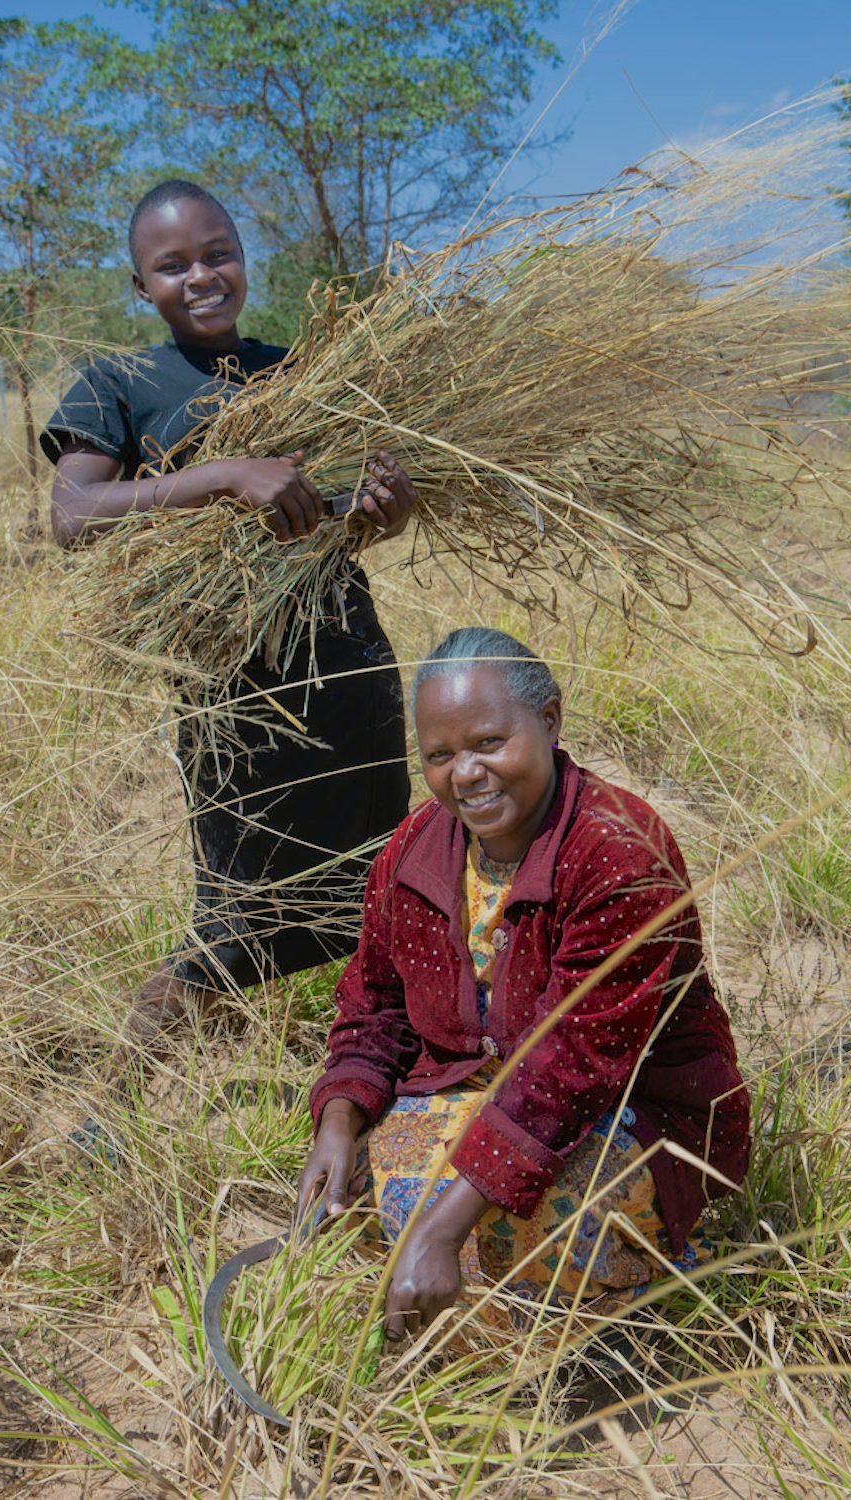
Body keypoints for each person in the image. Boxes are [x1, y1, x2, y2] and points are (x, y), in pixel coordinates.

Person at [42, 179, 413, 1107]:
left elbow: (328, 520)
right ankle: (120, 1103)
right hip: (234, 687)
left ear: (245, 256)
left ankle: (381, 1079)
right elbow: (74, 516)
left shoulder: (300, 370)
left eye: (218, 252)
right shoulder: (119, 385)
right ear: (141, 286)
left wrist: (382, 511)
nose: (201, 275)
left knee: (387, 886)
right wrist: (219, 477)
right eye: (173, 265)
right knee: (234, 910)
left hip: (348, 662)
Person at [298, 628, 750, 1341]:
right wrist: (340, 1120)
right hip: (475, 1092)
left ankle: (633, 1299)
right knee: (354, 1194)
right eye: (441, 756)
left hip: (625, 1116)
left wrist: (444, 1233)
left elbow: (572, 1068)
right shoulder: (413, 849)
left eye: (487, 743)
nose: (466, 774)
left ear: (549, 720)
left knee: (512, 1230)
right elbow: (375, 1003)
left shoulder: (616, 852)